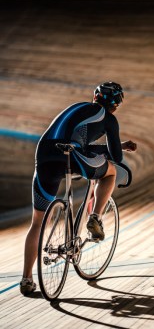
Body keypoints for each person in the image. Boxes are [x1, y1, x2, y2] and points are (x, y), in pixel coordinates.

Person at [20, 81, 137, 296]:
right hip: (74, 156)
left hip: (45, 155)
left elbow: (73, 139)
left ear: (95, 97)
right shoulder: (109, 118)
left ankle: (27, 279)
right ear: (116, 105)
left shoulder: (75, 107)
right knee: (110, 171)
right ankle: (95, 217)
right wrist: (117, 147)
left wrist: (113, 146)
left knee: (37, 221)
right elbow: (116, 157)